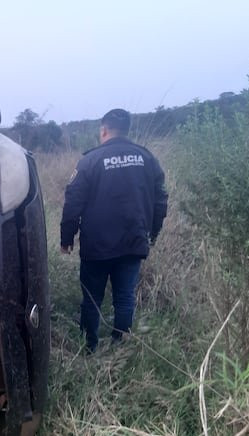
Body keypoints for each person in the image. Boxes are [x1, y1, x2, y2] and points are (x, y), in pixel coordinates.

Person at [60, 108, 168, 353]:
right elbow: (161, 201)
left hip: (97, 247)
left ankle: (89, 348)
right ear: (126, 130)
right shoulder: (147, 158)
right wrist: (152, 234)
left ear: (103, 130)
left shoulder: (90, 161)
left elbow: (72, 203)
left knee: (92, 299)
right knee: (124, 298)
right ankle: (120, 347)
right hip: (133, 243)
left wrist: (66, 239)